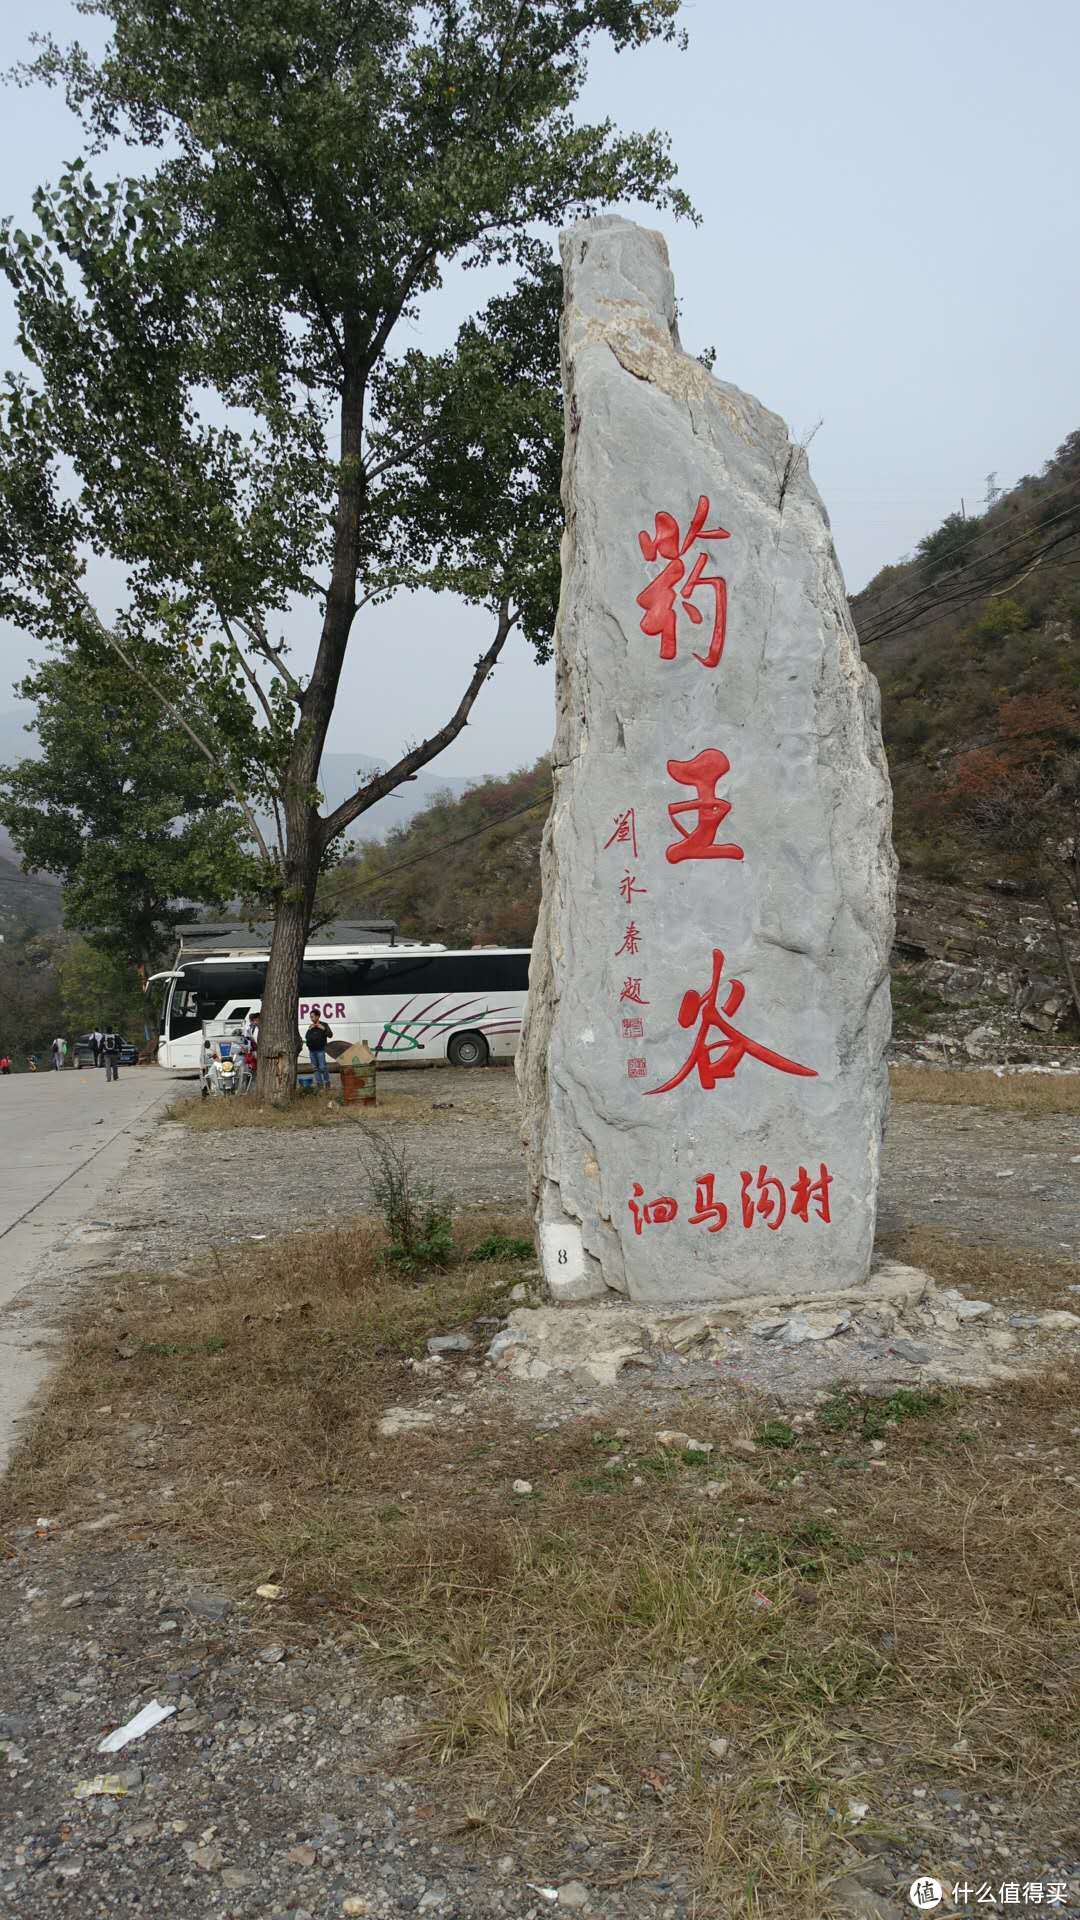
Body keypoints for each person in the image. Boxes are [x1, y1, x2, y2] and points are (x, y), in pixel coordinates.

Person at [303, 1010, 333, 1089]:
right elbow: (306, 1037)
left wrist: (323, 1029)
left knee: (322, 1067)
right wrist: (310, 1029)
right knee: (315, 1068)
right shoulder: (311, 1026)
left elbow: (330, 1035)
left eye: (312, 1017)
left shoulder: (324, 1024)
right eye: (310, 1017)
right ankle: (319, 1084)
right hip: (312, 1050)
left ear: (317, 1016)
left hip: (320, 1050)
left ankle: (327, 1082)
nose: (311, 1019)